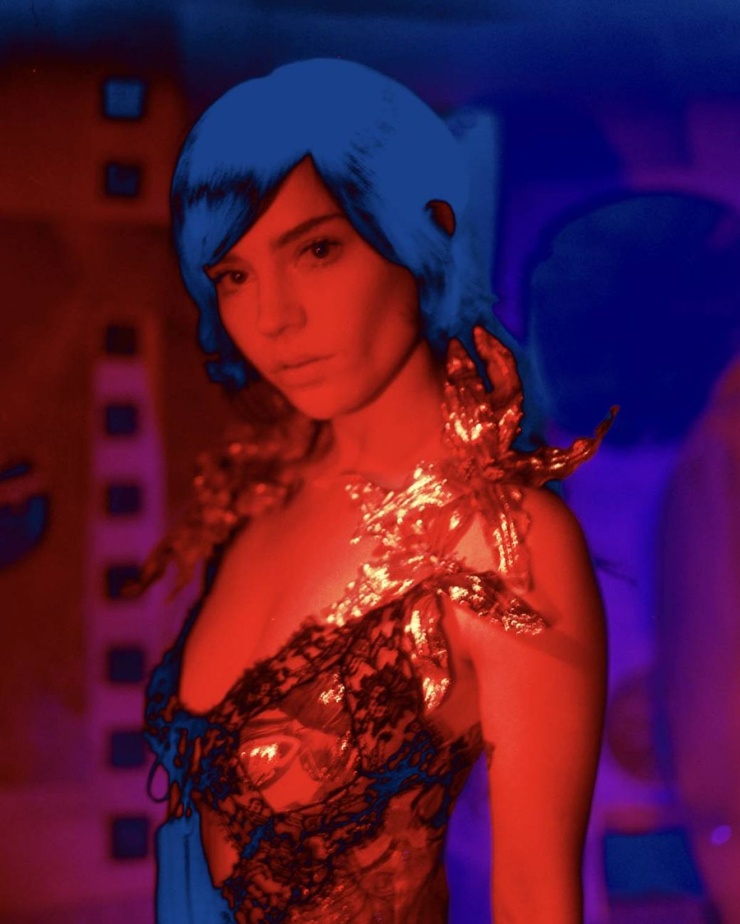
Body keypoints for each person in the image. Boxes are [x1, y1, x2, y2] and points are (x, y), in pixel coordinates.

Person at [136, 58, 613, 924]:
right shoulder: (263, 501)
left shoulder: (507, 546)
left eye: (316, 250)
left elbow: (537, 899)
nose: (273, 318)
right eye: (234, 274)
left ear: (424, 235)